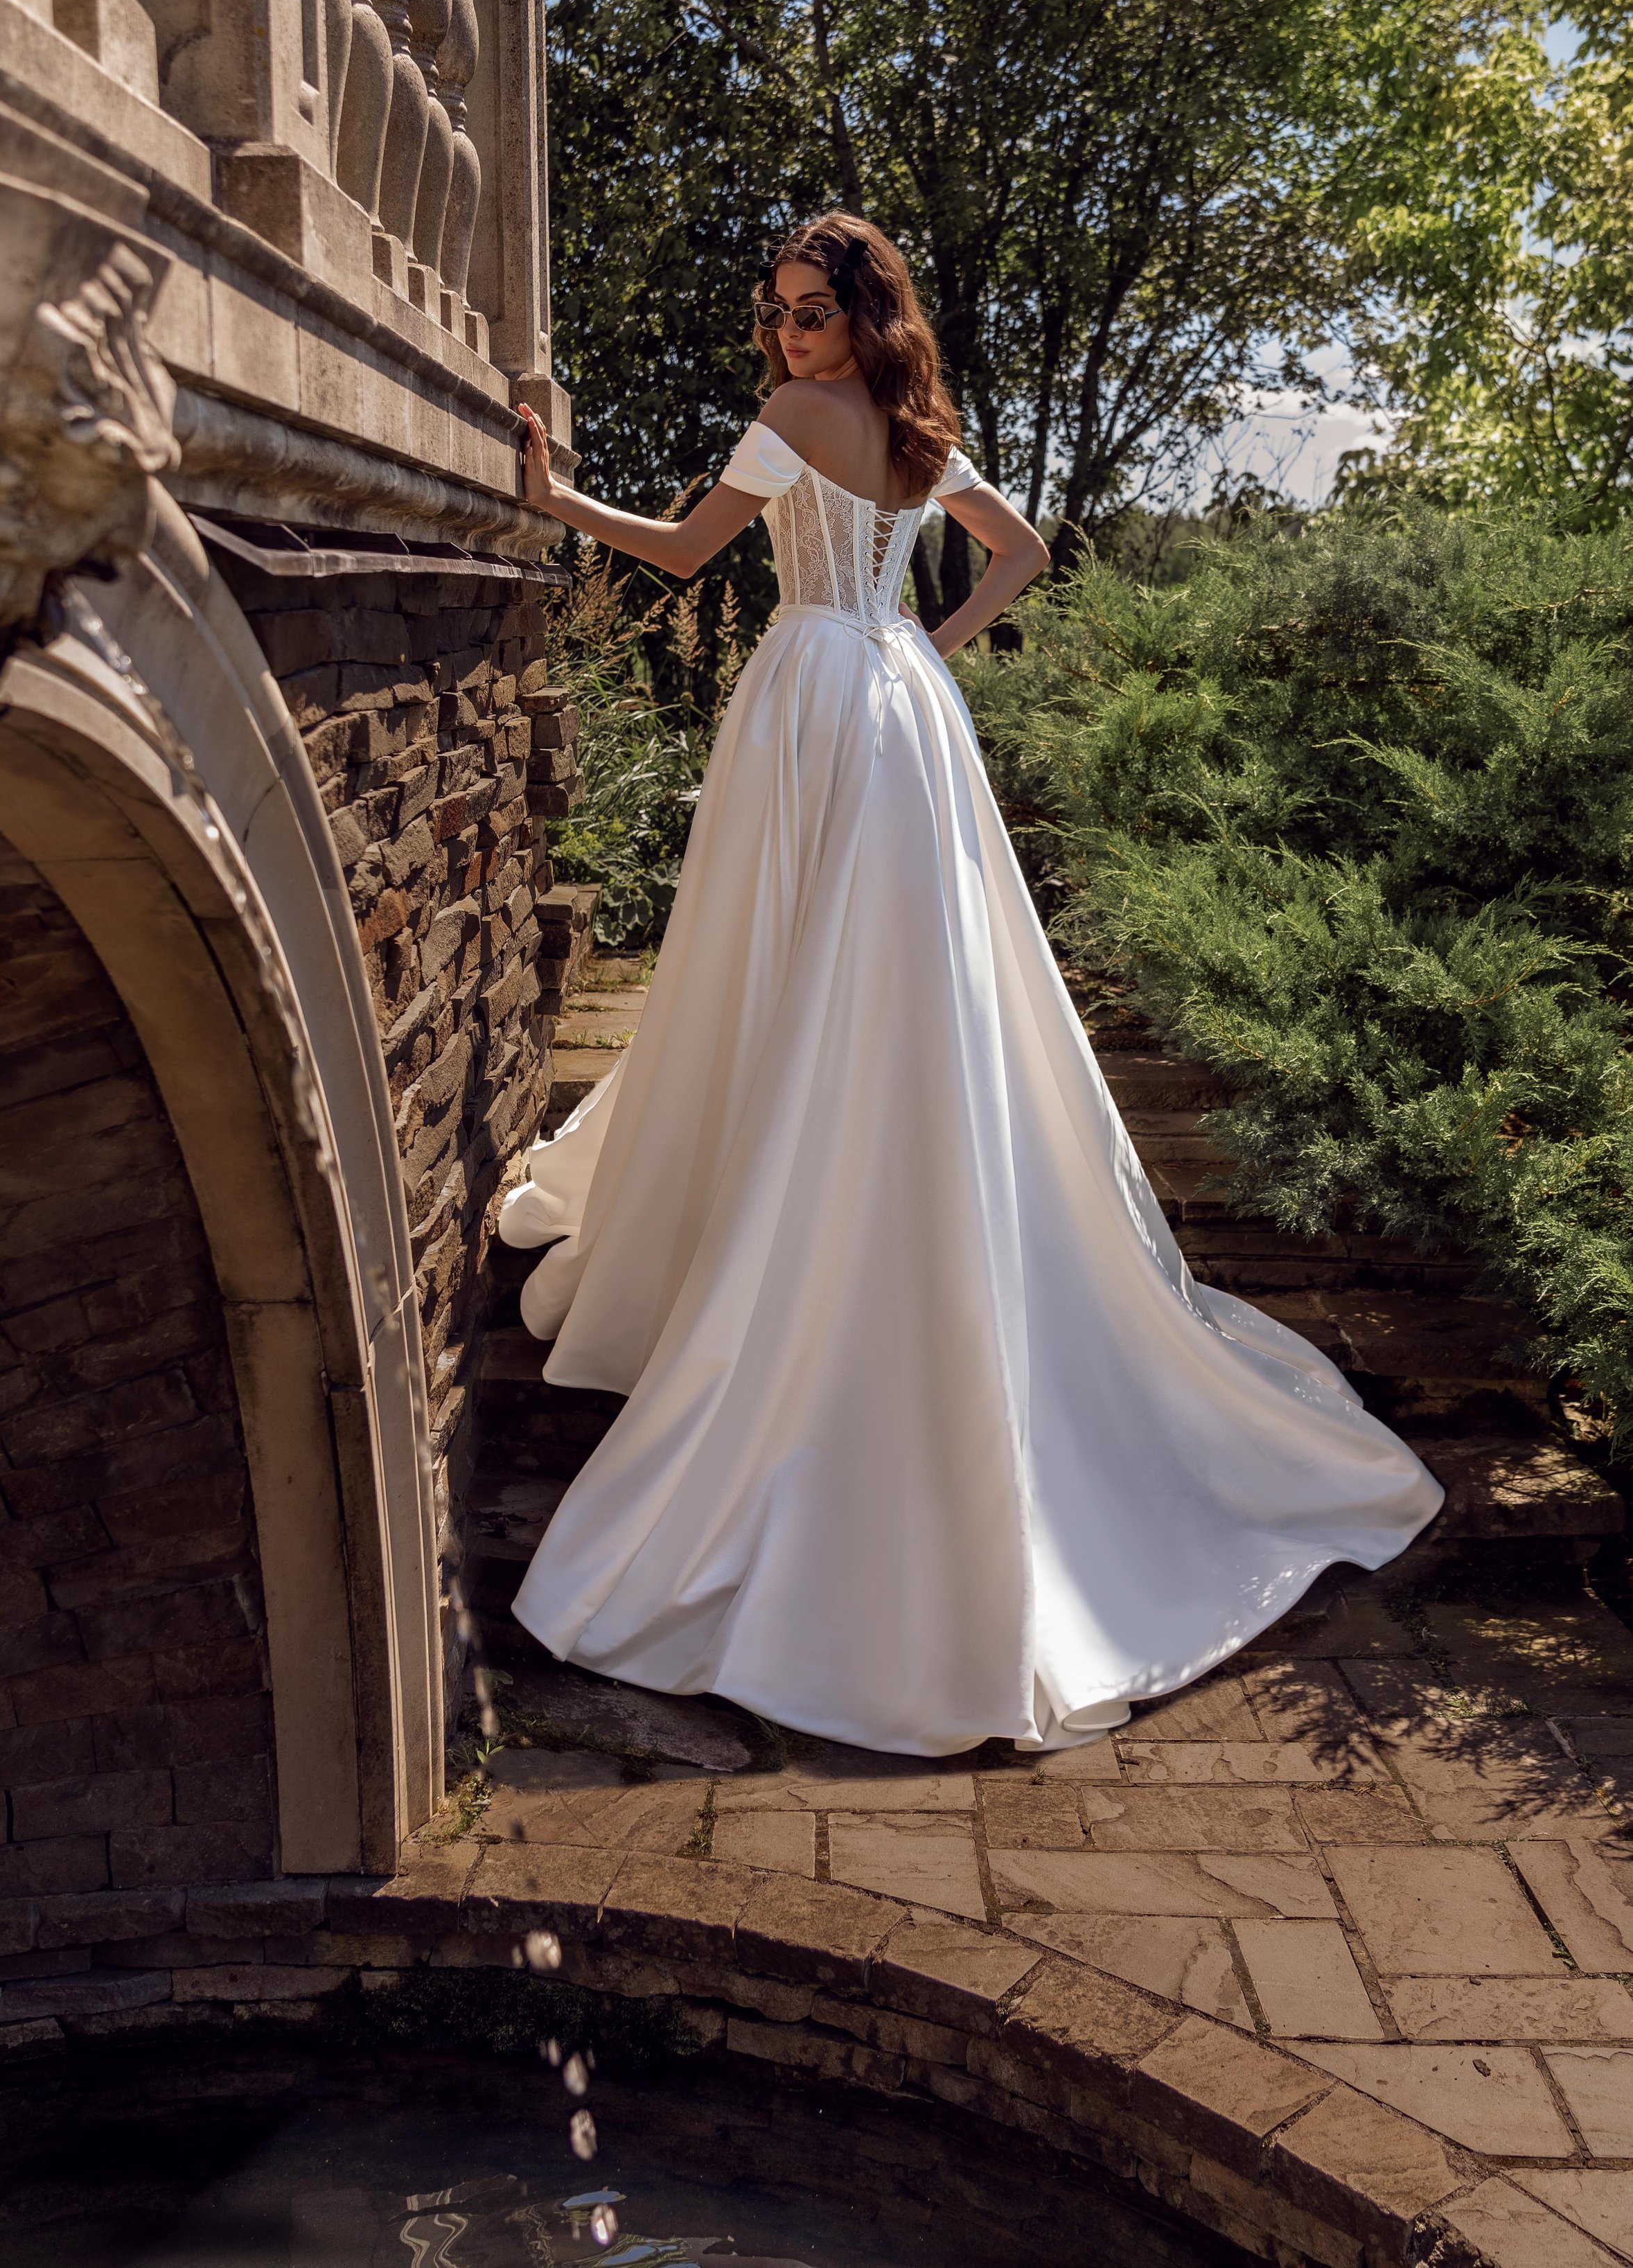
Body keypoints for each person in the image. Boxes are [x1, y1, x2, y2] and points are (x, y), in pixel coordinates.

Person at [501, 211, 1440, 1755]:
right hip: (899, 704)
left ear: (863, 315)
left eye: (813, 311)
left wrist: (549, 499)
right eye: (779, 313)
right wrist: (924, 641)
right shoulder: (917, 427)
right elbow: (1022, 553)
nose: (789, 337)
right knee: (894, 978)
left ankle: (799, 1221)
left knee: (792, 966)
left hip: (812, 693)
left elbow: (678, 560)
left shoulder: (800, 421)